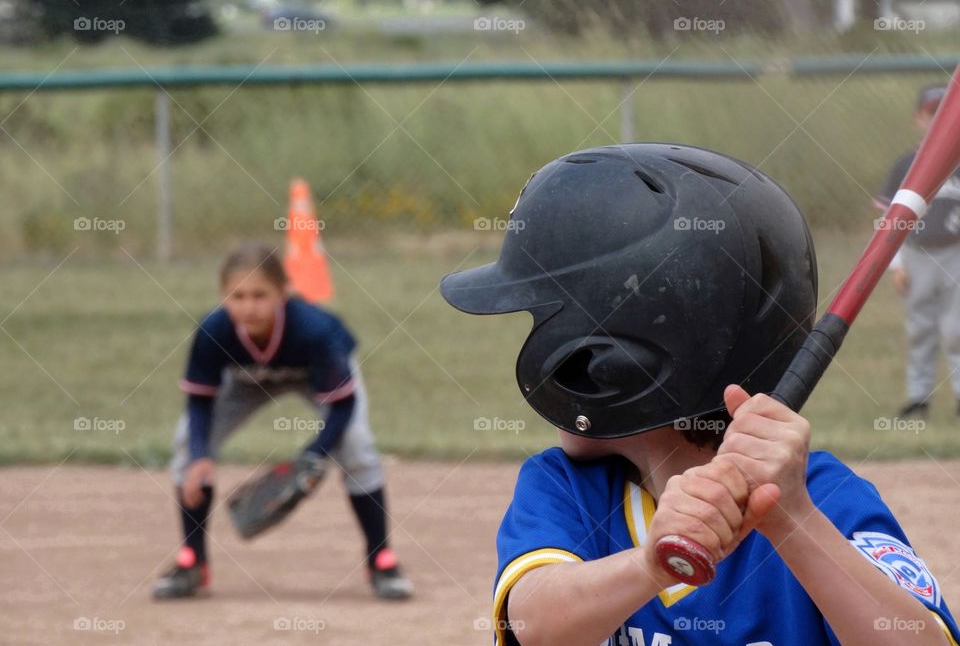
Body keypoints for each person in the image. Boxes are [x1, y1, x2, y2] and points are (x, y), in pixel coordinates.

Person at [441, 144, 960, 646]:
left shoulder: (822, 498)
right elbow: (535, 629)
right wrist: (649, 566)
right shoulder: (567, 490)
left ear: (604, 364)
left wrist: (792, 520)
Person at [152, 242, 413, 601]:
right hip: (245, 381)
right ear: (222, 297)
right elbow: (200, 400)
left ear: (284, 293)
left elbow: (342, 405)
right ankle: (193, 561)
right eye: (237, 296)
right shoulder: (214, 331)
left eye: (260, 295)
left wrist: (313, 454)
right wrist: (201, 455)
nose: (249, 306)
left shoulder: (315, 331)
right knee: (186, 445)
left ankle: (381, 559)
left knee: (356, 447)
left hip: (315, 378)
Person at [875, 84, 960, 421]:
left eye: (947, 114)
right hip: (917, 256)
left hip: (957, 253)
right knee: (921, 328)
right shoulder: (907, 165)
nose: (939, 120)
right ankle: (918, 399)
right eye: (932, 114)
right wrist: (896, 264)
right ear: (918, 119)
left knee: (958, 330)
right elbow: (888, 220)